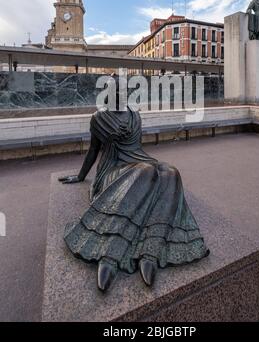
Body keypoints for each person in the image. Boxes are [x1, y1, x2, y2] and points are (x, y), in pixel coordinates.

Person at [59, 75, 209, 292]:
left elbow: (137, 151)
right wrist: (81, 176)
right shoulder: (99, 118)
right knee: (146, 172)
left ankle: (151, 249)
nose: (118, 95)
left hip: (138, 162)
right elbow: (93, 151)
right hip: (113, 171)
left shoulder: (134, 116)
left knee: (171, 173)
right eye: (113, 92)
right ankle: (111, 251)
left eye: (121, 92)